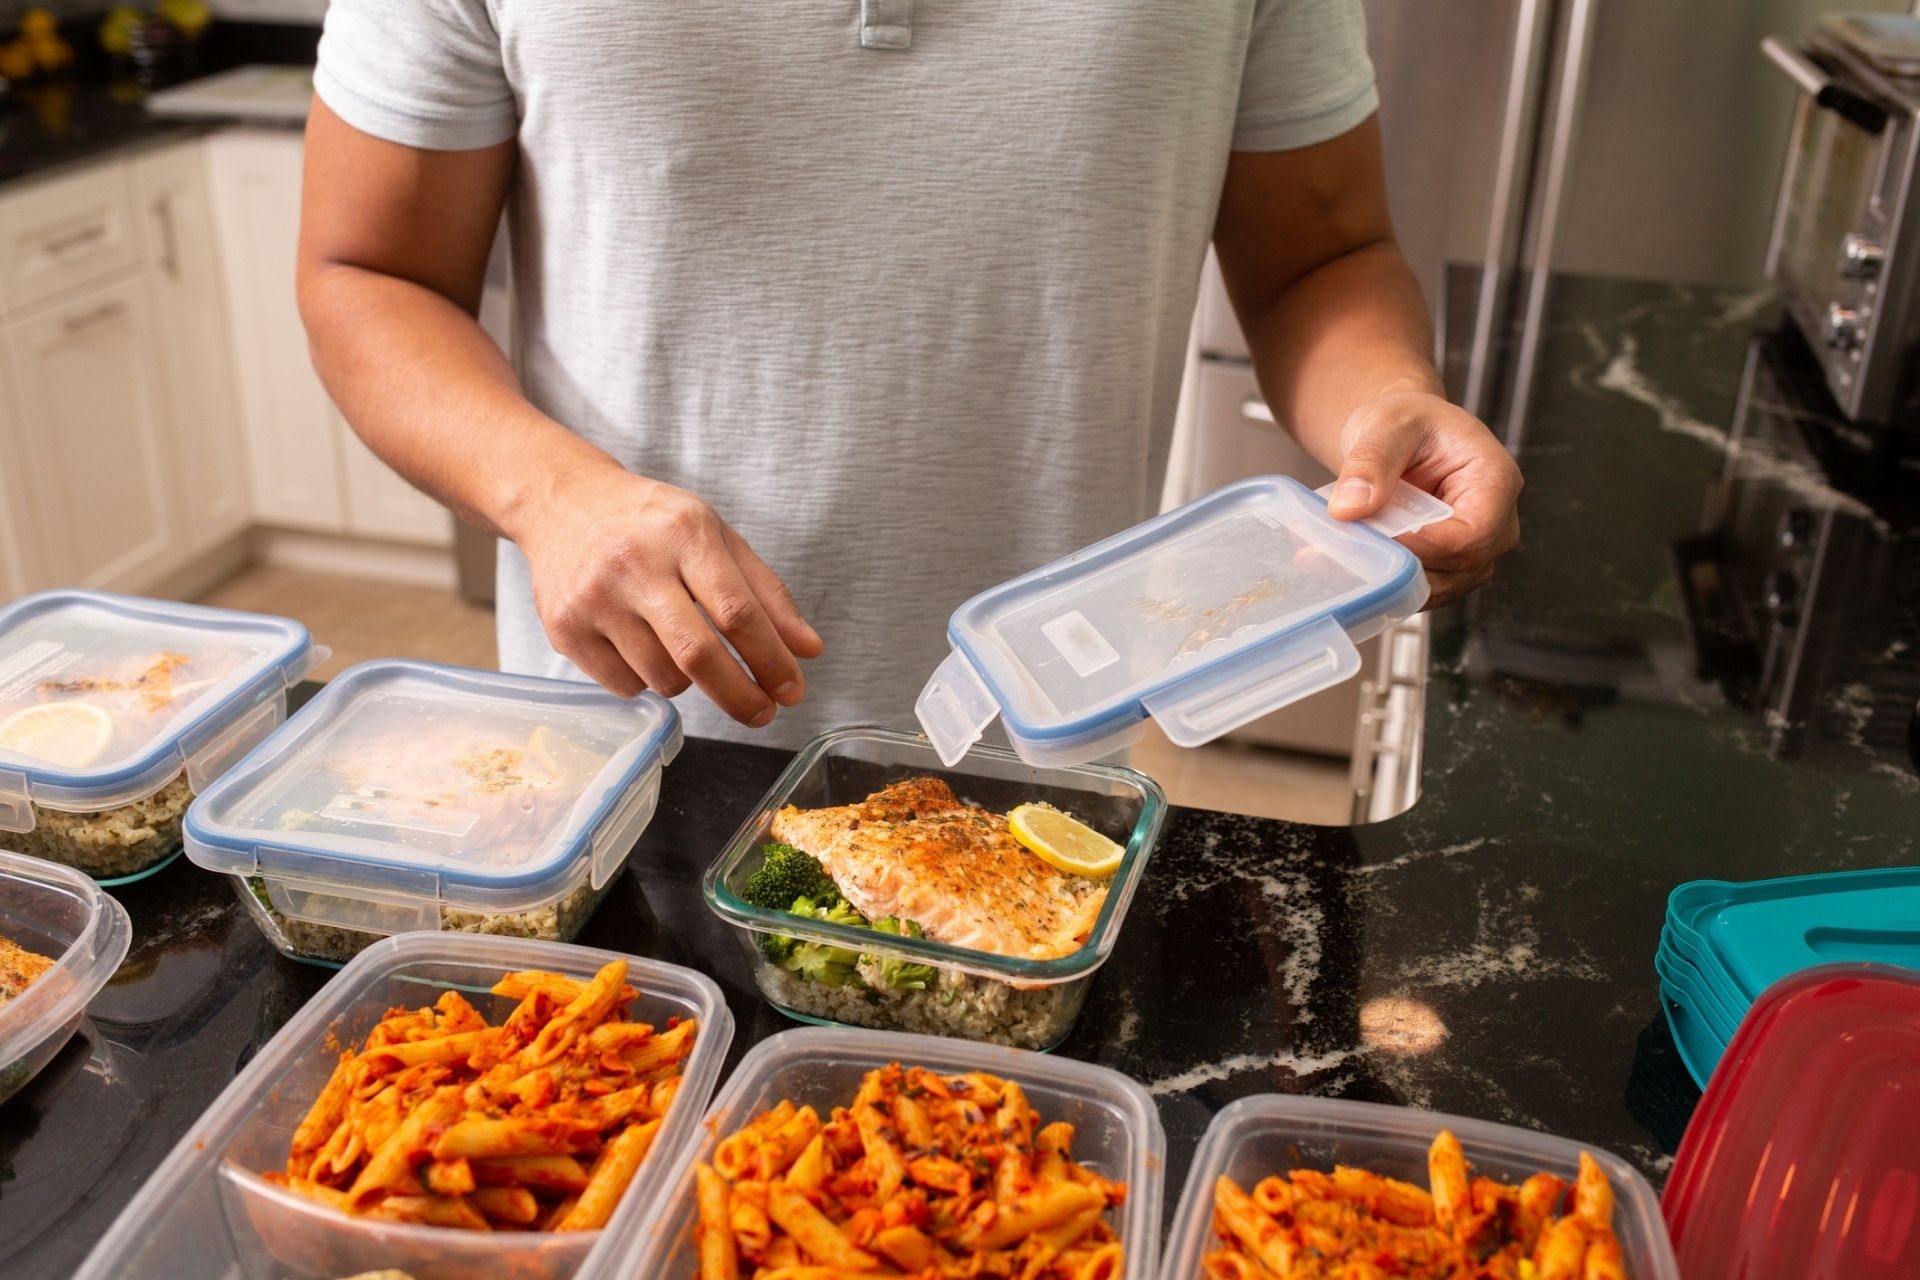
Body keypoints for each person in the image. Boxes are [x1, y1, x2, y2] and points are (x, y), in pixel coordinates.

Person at [298, 1, 1522, 747]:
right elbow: (367, 272)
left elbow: (1320, 254)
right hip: (622, 750)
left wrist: (1384, 402)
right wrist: (551, 495)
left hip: (1048, 741)